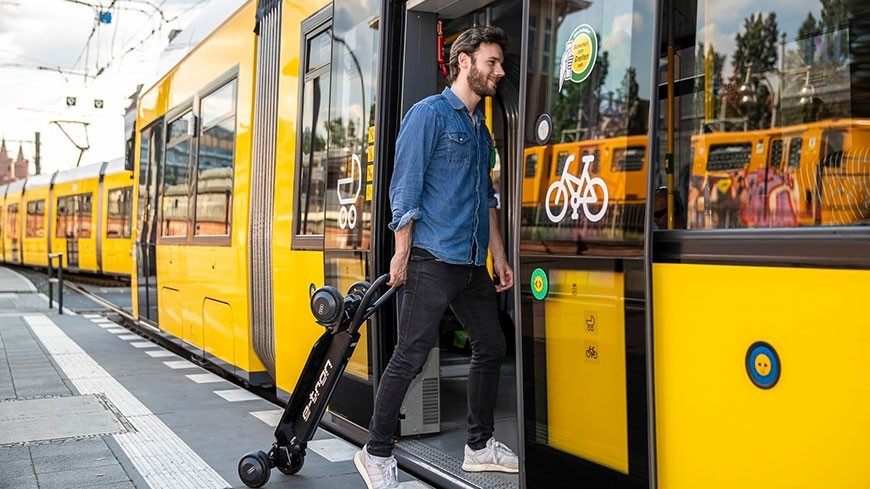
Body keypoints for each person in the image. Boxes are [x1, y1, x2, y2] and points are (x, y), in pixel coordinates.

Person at [354, 26, 517, 489]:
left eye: (500, 63)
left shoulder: (480, 129)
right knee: (410, 354)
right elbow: (404, 187)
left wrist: (498, 258)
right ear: (464, 61)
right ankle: (377, 452)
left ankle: (479, 447)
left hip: (469, 262)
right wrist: (401, 253)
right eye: (492, 62)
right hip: (431, 257)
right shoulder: (429, 115)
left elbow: (488, 199)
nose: (499, 71)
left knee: (491, 345)